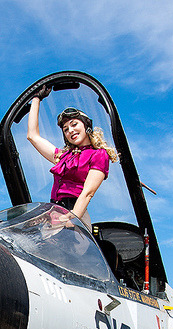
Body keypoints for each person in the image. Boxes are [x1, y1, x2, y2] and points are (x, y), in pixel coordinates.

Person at [27, 86, 118, 232]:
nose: (70, 131)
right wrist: (36, 99)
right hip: (54, 212)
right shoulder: (64, 156)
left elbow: (88, 192)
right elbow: (32, 136)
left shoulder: (99, 154)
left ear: (86, 125)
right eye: (65, 129)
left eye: (74, 124)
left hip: (75, 213)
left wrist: (72, 216)